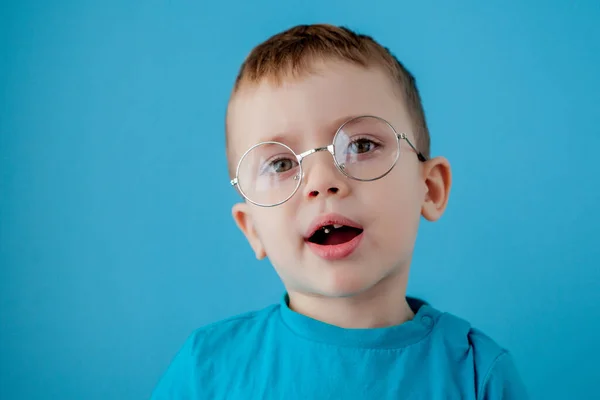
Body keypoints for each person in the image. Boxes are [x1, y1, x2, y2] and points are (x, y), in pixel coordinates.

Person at [151, 24, 528, 399]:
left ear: (428, 188)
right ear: (253, 230)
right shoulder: (206, 371)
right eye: (281, 165)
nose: (322, 182)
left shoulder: (478, 375)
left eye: (361, 145)